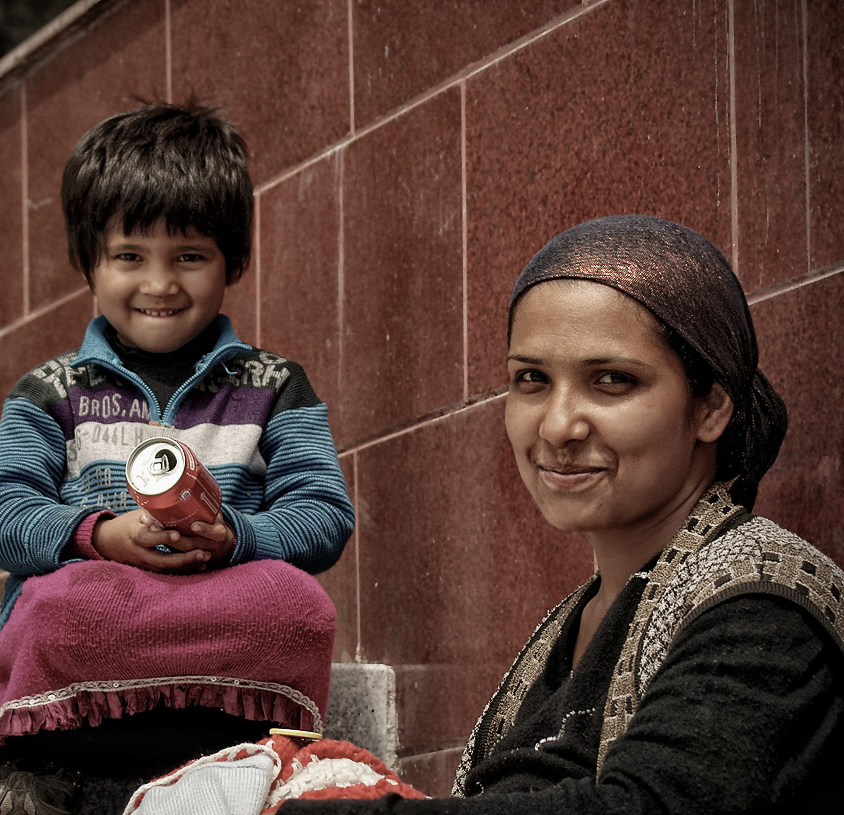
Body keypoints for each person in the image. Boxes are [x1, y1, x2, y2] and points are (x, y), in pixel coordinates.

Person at [274, 215, 844, 813]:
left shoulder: (763, 607)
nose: (556, 426)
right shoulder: (569, 627)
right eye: (531, 380)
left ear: (710, 409)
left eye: (612, 381)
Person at [0, 103, 355, 815]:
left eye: (189, 256)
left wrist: (238, 535)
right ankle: (37, 767)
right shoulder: (50, 391)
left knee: (302, 607)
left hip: (222, 608)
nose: (159, 283)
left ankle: (259, 757)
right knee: (55, 604)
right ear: (88, 259)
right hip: (103, 608)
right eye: (129, 256)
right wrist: (101, 537)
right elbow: (0, 514)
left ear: (231, 260)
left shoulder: (274, 385)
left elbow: (324, 514)